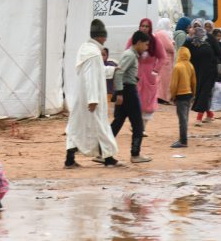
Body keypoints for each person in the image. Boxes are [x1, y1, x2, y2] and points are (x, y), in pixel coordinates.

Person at [65, 19, 122, 168]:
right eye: (104, 36)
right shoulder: (93, 54)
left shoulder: (87, 51)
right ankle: (108, 158)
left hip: (82, 97)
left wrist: (112, 70)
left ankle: (70, 159)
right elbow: (91, 77)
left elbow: (98, 71)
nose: (105, 39)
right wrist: (92, 99)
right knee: (100, 126)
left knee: (76, 126)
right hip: (91, 99)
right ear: (100, 37)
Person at [111, 30, 152, 163]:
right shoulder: (130, 55)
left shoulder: (130, 54)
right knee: (138, 124)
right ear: (139, 43)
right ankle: (135, 154)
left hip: (125, 90)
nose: (146, 48)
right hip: (128, 92)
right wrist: (120, 93)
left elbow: (122, 72)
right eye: (145, 45)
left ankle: (102, 151)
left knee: (117, 122)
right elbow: (118, 73)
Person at [126, 18, 163, 134]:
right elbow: (127, 53)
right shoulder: (134, 39)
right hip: (136, 73)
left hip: (149, 75)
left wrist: (155, 70)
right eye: (142, 26)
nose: (144, 28)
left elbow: (162, 57)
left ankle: (142, 127)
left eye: (147, 26)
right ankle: (135, 125)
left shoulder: (155, 40)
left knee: (148, 102)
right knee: (135, 100)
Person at [185, 20, 219, 124]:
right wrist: (189, 37)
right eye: (194, 26)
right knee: (202, 93)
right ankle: (209, 114)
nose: (196, 28)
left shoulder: (210, 39)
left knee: (204, 92)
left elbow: (219, 52)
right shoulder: (192, 41)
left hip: (210, 71)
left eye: (198, 26)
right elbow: (184, 49)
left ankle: (199, 117)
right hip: (197, 71)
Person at [168, 46, 196, 148]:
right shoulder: (190, 65)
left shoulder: (177, 67)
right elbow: (194, 82)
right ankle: (183, 138)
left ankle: (183, 141)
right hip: (189, 94)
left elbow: (173, 84)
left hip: (180, 95)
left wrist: (172, 96)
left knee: (182, 119)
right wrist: (194, 93)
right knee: (185, 118)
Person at [154, 17, 176, 105]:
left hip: (164, 60)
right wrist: (173, 44)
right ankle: (163, 97)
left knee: (161, 79)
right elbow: (169, 47)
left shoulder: (159, 33)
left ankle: (161, 97)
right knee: (164, 80)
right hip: (165, 60)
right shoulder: (162, 34)